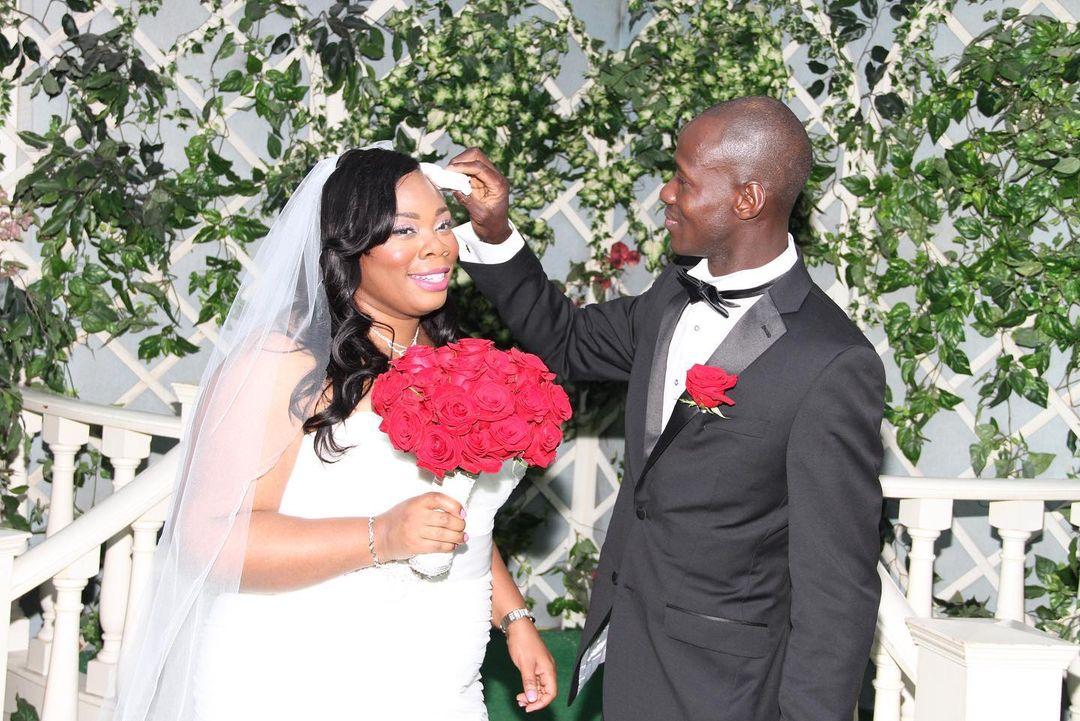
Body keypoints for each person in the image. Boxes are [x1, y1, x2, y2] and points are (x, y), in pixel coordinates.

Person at [450, 96, 886, 721]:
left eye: (684, 179)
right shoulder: (669, 298)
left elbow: (837, 586)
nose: (666, 193)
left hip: (727, 688)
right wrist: (495, 234)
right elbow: (567, 341)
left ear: (747, 199)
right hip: (632, 653)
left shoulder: (831, 361)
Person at [103, 146, 556, 721]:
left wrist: (513, 617)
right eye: (405, 230)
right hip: (299, 676)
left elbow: (461, 513)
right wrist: (380, 536)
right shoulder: (280, 363)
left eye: (443, 224)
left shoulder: (453, 359)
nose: (437, 246)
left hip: (439, 681)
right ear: (349, 247)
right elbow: (207, 539)